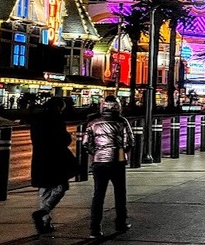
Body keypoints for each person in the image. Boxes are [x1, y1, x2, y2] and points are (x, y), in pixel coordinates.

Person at [83, 95, 134, 238]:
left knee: (98, 195)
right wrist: (120, 151)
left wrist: (97, 152)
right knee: (120, 193)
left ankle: (95, 228)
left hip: (99, 161)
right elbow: (129, 142)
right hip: (117, 161)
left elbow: (86, 143)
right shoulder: (122, 122)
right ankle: (121, 223)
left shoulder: (93, 122)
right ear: (118, 107)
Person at [29, 96, 77, 234]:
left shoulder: (37, 119)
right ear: (58, 107)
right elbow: (62, 138)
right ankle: (44, 211)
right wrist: (68, 137)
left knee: (44, 190)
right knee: (60, 187)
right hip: (55, 158)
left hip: (40, 158)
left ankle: (44, 221)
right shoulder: (56, 119)